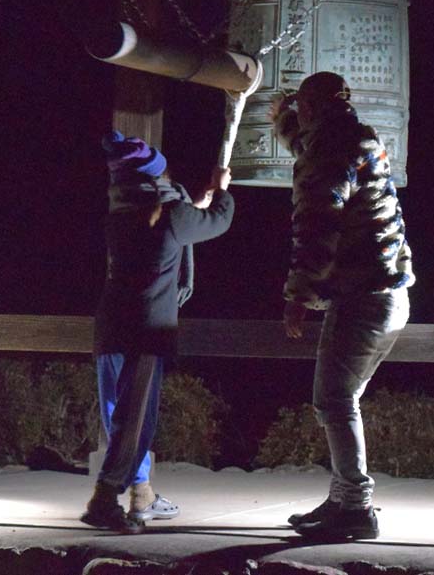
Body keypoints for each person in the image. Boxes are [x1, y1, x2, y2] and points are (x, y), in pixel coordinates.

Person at [269, 72, 415, 540]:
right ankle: (342, 499)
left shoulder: (329, 152)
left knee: (333, 400)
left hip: (362, 296)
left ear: (310, 107)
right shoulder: (358, 139)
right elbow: (315, 151)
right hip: (391, 294)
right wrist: (286, 123)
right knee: (341, 400)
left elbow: (317, 226)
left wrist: (297, 296)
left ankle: (355, 506)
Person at [82, 131, 234, 533]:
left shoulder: (120, 216)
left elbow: (171, 221)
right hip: (146, 331)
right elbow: (219, 221)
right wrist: (222, 191)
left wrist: (191, 203)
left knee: (119, 415)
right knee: (137, 420)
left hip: (110, 327)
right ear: (155, 178)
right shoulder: (171, 217)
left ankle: (140, 493)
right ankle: (104, 498)